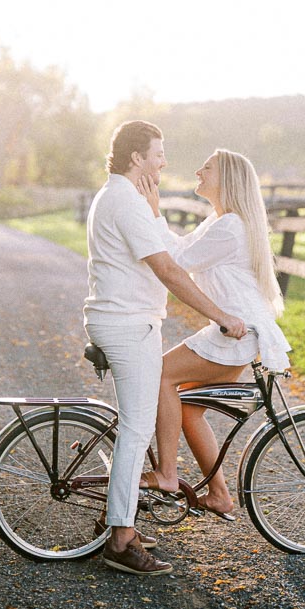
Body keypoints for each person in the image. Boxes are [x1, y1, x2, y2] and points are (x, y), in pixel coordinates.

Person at [84, 121, 247, 577]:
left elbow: (170, 259)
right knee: (137, 430)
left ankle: (125, 520)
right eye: (159, 152)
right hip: (127, 324)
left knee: (139, 423)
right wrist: (220, 316)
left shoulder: (120, 197)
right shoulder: (124, 202)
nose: (164, 161)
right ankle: (120, 540)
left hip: (124, 321)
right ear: (137, 157)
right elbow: (171, 272)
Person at [138, 148, 291, 520]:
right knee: (189, 409)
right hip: (237, 333)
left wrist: (154, 212)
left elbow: (177, 263)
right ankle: (219, 494)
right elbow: (179, 248)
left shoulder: (230, 227)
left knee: (160, 376)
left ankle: (167, 474)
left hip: (234, 333)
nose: (197, 170)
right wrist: (155, 216)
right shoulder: (220, 221)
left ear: (227, 180)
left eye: (206, 167)